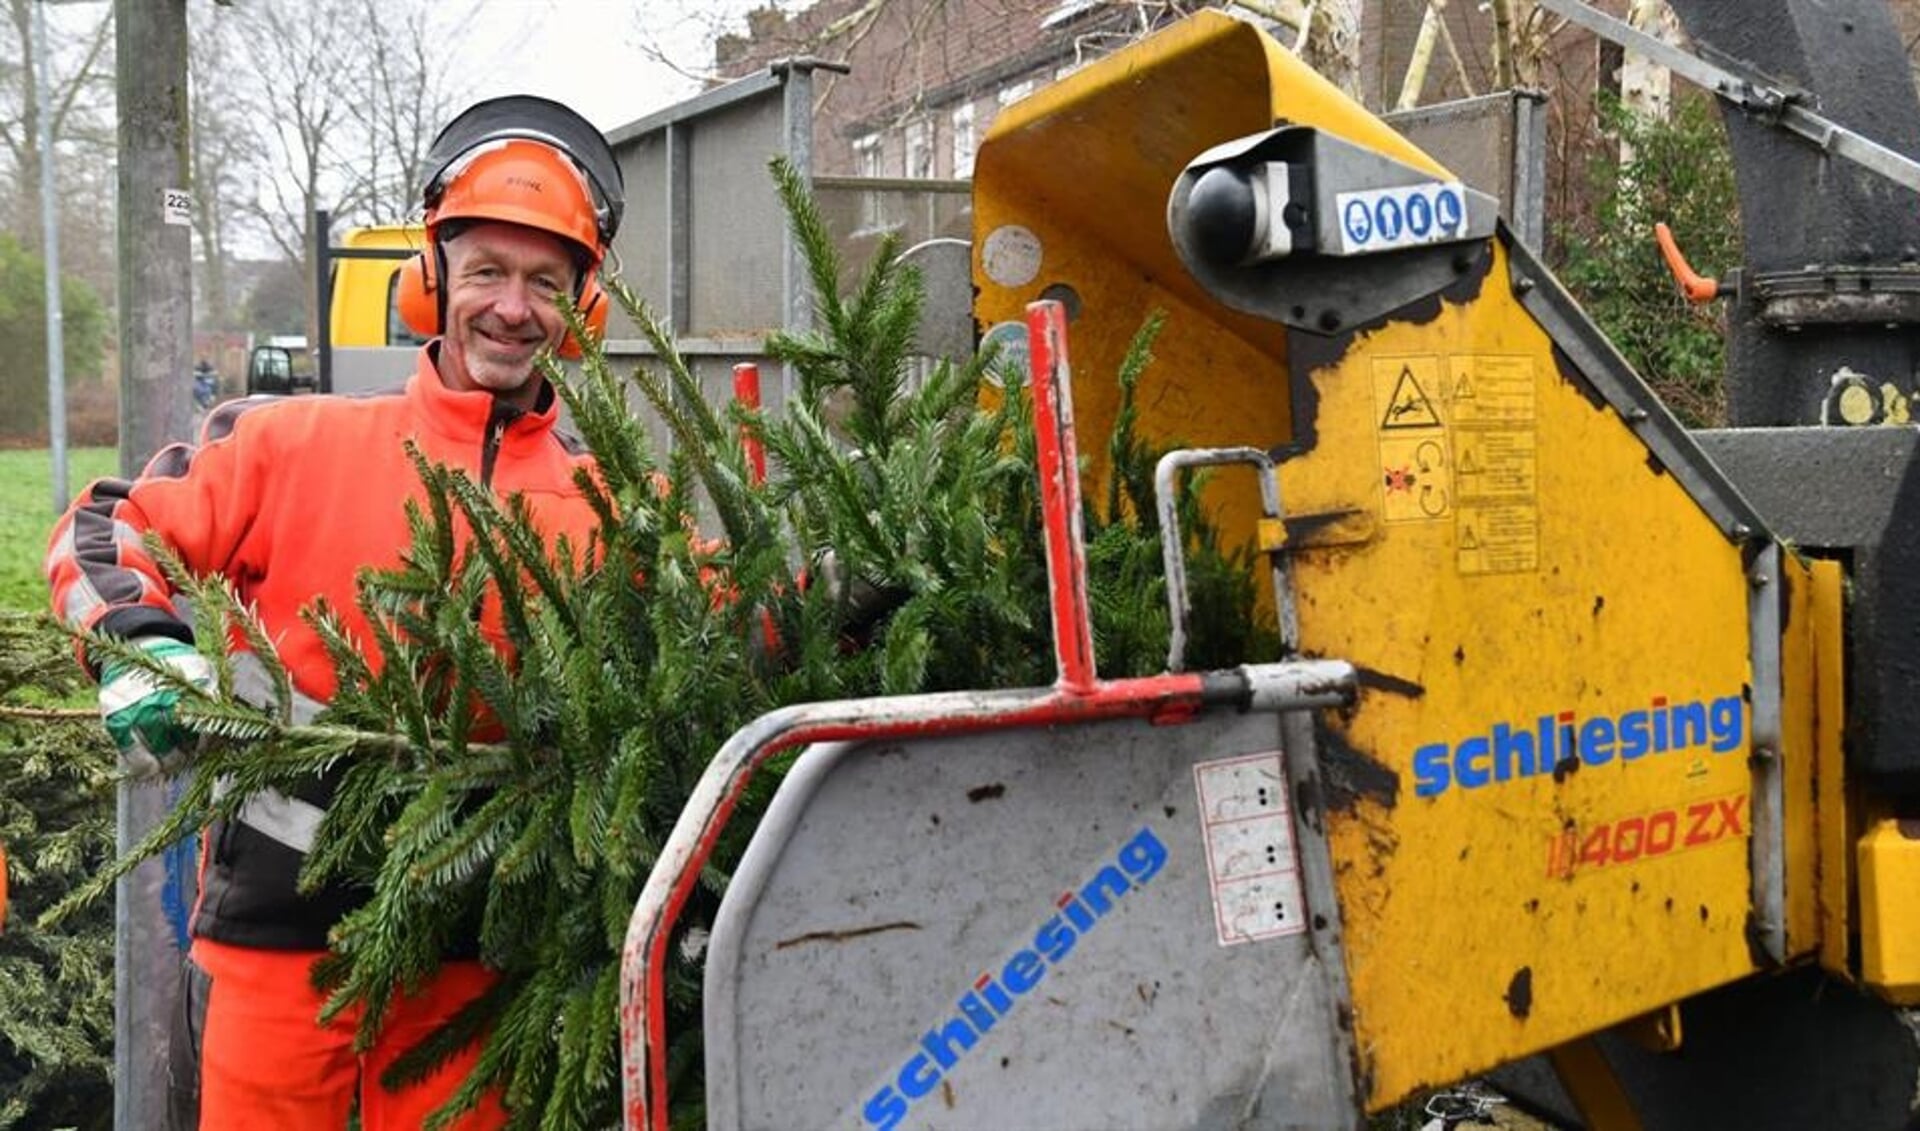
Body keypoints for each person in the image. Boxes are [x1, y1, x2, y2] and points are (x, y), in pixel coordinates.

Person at [45, 94, 623, 1131]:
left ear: (584, 307)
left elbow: (736, 619)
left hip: (484, 950)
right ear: (432, 280)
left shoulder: (606, 502)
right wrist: (140, 649)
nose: (511, 307)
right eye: (487, 270)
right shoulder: (288, 441)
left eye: (545, 281)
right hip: (278, 927)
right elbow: (109, 524)